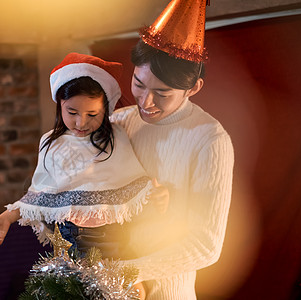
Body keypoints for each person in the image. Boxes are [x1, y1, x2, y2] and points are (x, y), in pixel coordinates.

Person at [0, 54, 168, 288]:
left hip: (114, 236)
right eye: (72, 112)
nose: (81, 123)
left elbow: (132, 185)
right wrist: (8, 217)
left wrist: (156, 197)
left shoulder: (116, 138)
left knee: (120, 289)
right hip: (69, 235)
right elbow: (41, 194)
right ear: (60, 105)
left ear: (105, 108)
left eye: (92, 114)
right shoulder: (51, 143)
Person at [107, 1, 235, 299]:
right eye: (138, 84)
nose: (145, 102)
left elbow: (205, 246)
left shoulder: (209, 140)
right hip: (101, 282)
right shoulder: (119, 122)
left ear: (194, 88)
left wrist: (124, 271)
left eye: (162, 93)